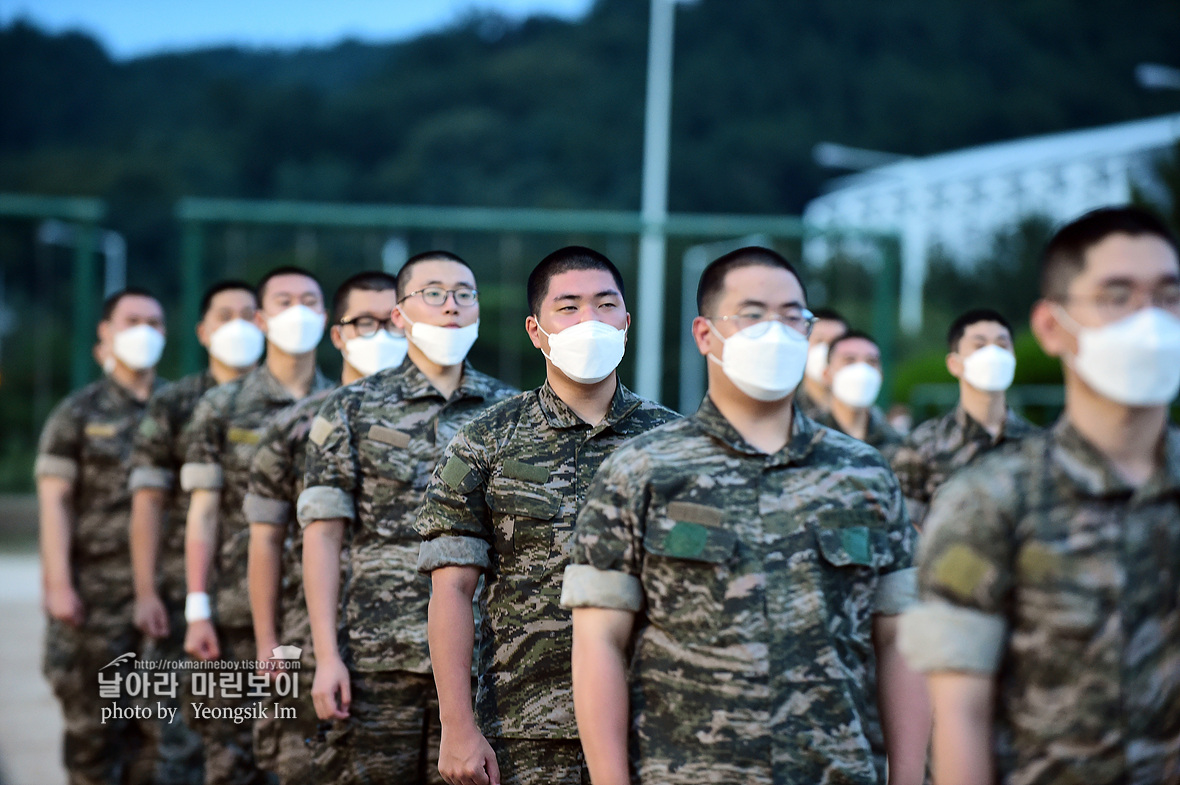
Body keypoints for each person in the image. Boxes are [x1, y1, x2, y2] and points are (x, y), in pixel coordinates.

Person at [562, 246, 929, 785]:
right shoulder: (642, 470)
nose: (775, 331)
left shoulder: (865, 475)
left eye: (792, 316)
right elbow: (598, 642)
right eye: (753, 315)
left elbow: (900, 641)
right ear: (706, 334)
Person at [899, 205, 1180, 785]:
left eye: (1168, 296)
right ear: (1053, 327)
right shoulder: (990, 501)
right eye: (1116, 296)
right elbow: (958, 717)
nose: (1147, 320)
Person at [416, 246, 680, 785]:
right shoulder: (487, 441)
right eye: (569, 307)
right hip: (526, 729)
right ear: (536, 331)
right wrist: (457, 725)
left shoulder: (676, 444)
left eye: (606, 305)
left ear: (626, 322)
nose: (590, 321)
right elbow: (451, 590)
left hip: (654, 725)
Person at [298, 252, 517, 784]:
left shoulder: (511, 412)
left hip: (485, 664)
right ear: (399, 315)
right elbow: (323, 539)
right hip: (377, 660)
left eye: (465, 294)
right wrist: (326, 656)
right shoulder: (350, 409)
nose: (451, 307)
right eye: (434, 293)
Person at [245, 270, 404, 782]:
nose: (381, 335)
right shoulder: (296, 427)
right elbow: (266, 539)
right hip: (311, 638)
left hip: (407, 646)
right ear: (338, 335)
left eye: (392, 322)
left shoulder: (443, 425)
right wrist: (268, 640)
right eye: (365, 322)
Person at [182, 266, 334, 785]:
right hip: (233, 617)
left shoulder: (341, 406)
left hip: (317, 620)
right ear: (262, 318)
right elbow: (201, 514)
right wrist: (197, 609)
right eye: (284, 300)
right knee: (230, 763)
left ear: (325, 316)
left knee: (306, 763)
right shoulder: (221, 406)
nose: (297, 311)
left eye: (309, 300)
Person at [128, 280, 261, 785]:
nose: (239, 325)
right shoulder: (176, 405)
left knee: (266, 750)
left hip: (272, 604)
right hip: (192, 600)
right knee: (183, 743)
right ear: (203, 331)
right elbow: (149, 503)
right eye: (225, 315)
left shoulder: (298, 403)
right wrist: (146, 592)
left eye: (249, 313)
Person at [37, 287, 167, 785]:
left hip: (160, 605)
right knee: (93, 741)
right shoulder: (78, 413)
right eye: (132, 320)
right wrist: (58, 584)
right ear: (105, 332)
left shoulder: (177, 407)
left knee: (157, 747)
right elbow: (55, 501)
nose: (144, 331)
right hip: (93, 602)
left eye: (154, 322)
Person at [889, 308, 1039, 530]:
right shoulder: (923, 444)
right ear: (954, 363)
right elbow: (905, 526)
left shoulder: (1039, 445)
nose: (993, 354)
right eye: (979, 346)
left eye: (1002, 345)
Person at [813, 329, 903, 460]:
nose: (862, 370)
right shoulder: (807, 437)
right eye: (849, 361)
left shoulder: (897, 444)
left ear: (881, 375)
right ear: (827, 375)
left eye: (871, 361)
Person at [795, 306, 847, 419]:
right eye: (819, 341)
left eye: (835, 342)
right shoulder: (786, 413)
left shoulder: (872, 420)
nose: (827, 350)